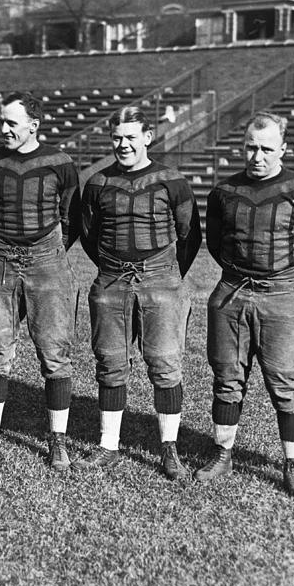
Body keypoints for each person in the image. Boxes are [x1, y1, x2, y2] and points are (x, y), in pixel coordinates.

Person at [198, 111, 294, 498]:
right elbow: (216, 243)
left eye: (266, 149)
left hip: (284, 298)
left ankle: (293, 465)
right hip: (233, 294)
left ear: (283, 149)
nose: (257, 156)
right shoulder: (224, 192)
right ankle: (223, 452)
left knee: (286, 383)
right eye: (250, 148)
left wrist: (293, 285)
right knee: (227, 378)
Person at [76, 106, 201, 479]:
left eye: (131, 137)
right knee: (111, 364)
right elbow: (88, 235)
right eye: (117, 138)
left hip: (160, 280)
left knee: (164, 365)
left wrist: (163, 275)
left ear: (148, 137)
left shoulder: (171, 181)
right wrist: (114, 266)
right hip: (111, 281)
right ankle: (108, 445)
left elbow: (190, 236)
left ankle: (169, 449)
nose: (123, 145)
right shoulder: (97, 183)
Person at [0, 91, 81, 470]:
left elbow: (71, 216)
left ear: (34, 125)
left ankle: (58, 441)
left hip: (46, 263)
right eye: (2, 122)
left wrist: (45, 251)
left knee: (54, 354)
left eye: (11, 123)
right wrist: (2, 248)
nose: (4, 130)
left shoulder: (60, 163)